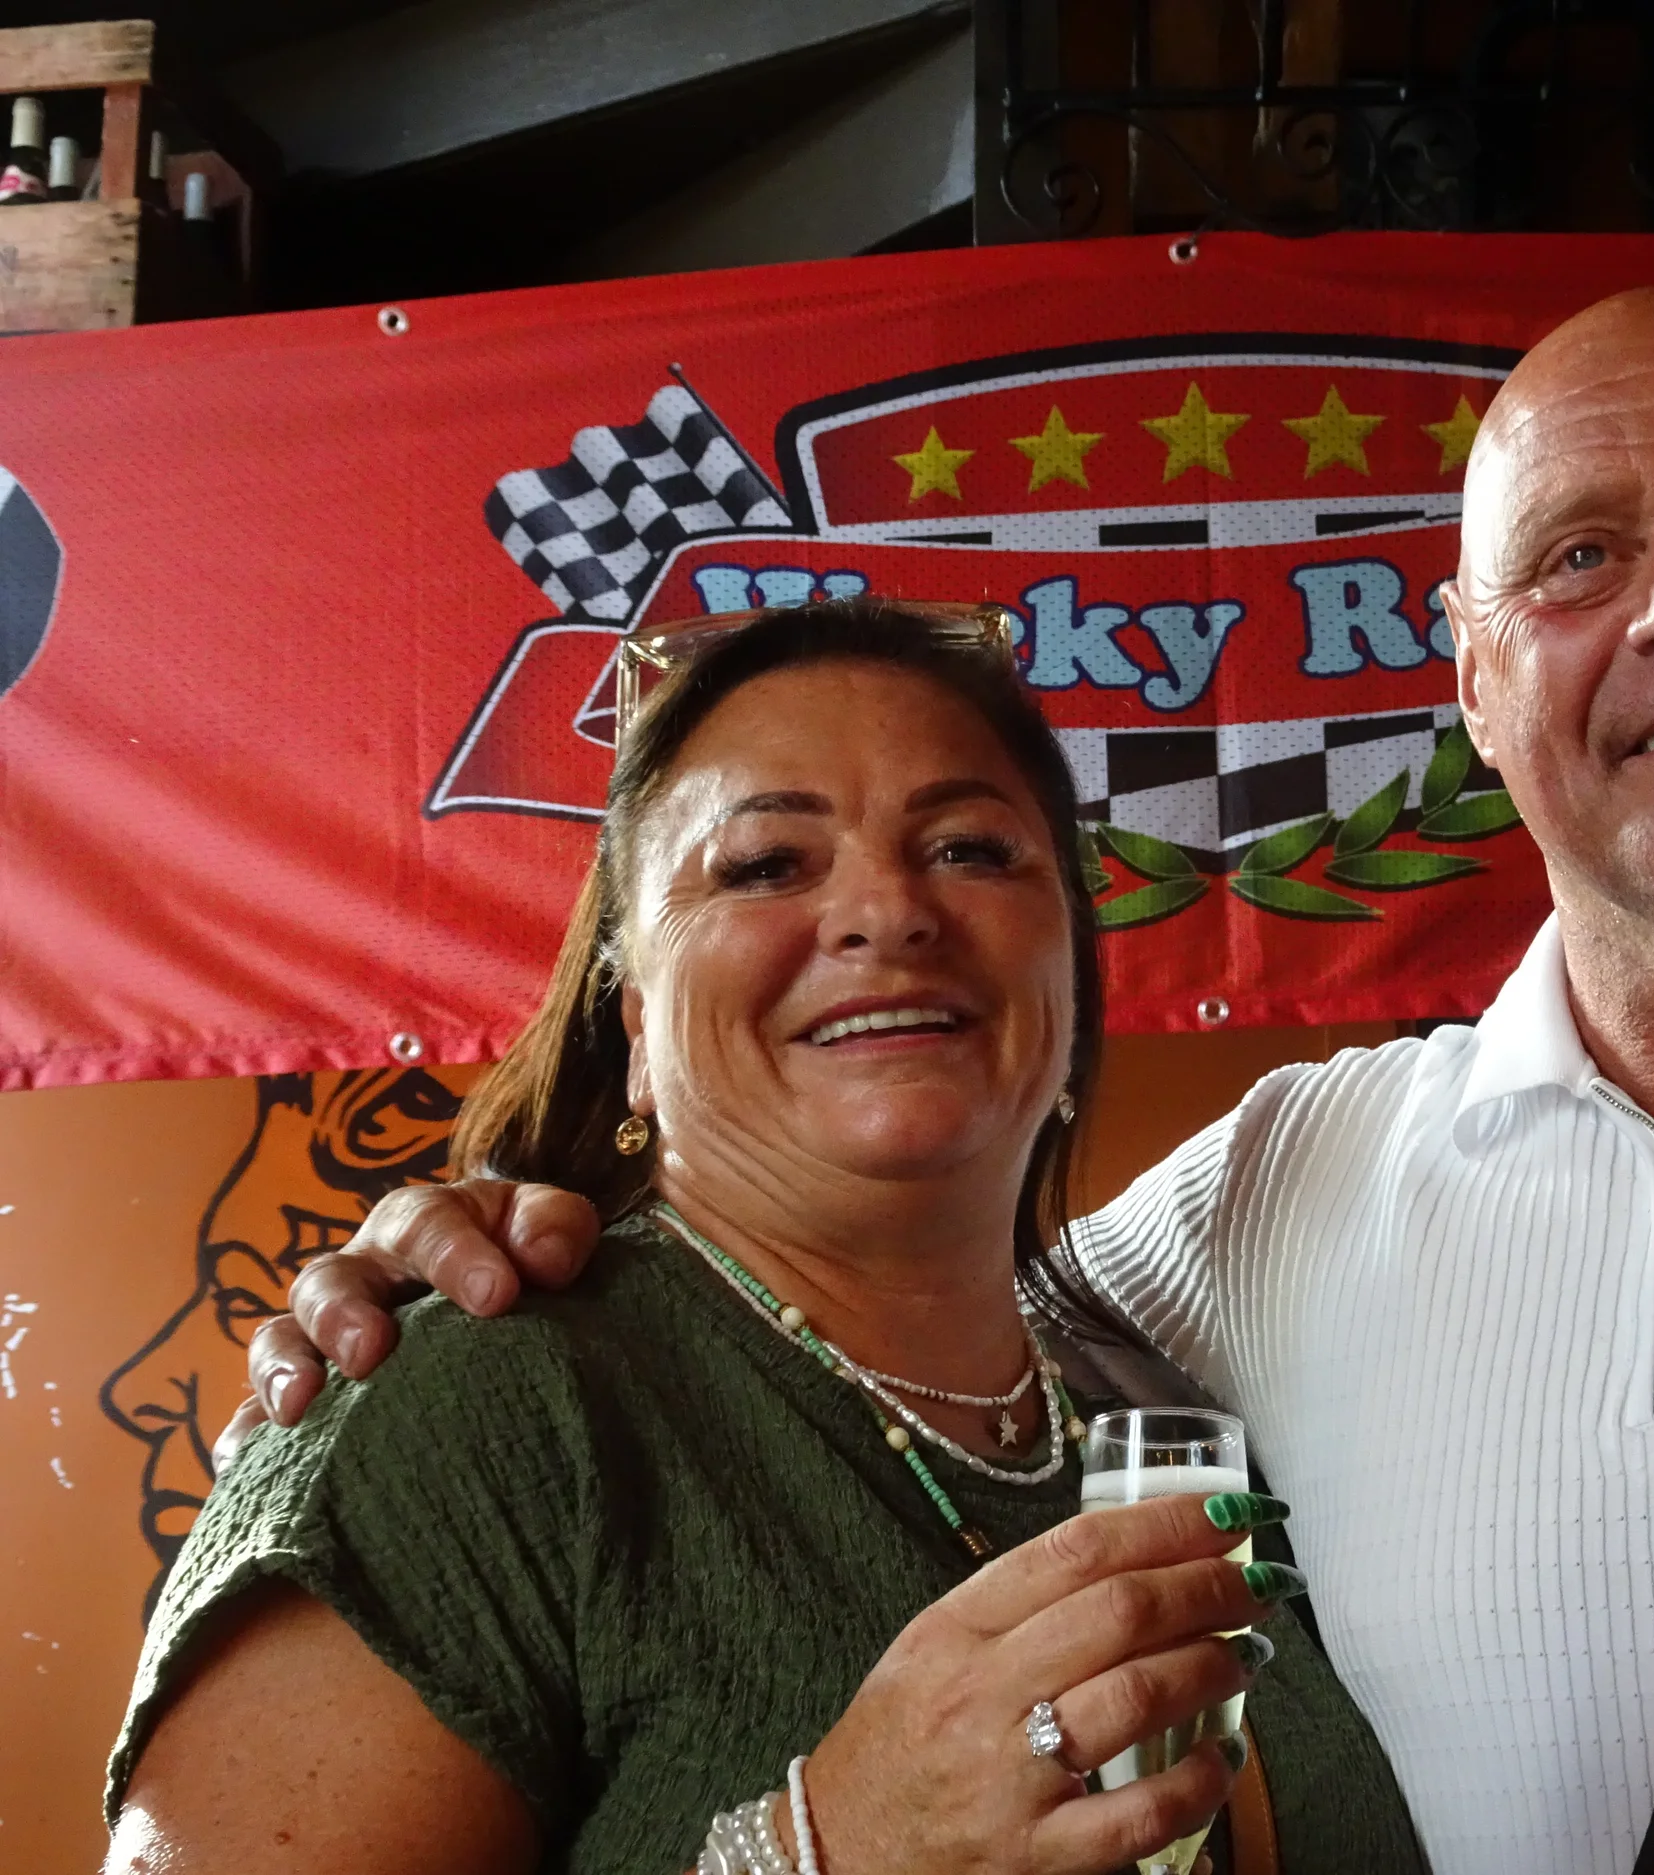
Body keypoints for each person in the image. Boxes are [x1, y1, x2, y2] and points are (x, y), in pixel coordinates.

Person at [234, 290, 1654, 1875]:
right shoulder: (1276, 1192)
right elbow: (833, 1296)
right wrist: (445, 1255)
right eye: (1578, 560)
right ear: (1475, 688)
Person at [110, 601, 1427, 1875]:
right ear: (632, 1027)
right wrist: (808, 1853)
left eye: (970, 847)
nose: (889, 911)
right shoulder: (473, 1403)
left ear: (1072, 978)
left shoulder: (1157, 1401)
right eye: (765, 863)